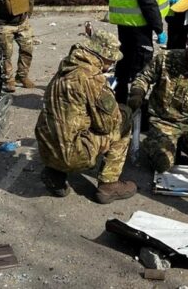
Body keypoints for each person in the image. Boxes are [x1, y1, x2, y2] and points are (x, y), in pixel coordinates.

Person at [35, 29, 138, 204]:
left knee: (66, 125)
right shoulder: (91, 78)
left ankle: (55, 173)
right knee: (124, 120)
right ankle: (108, 185)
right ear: (102, 55)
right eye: (111, 59)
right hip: (72, 153)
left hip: (47, 148)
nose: (113, 62)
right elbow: (107, 124)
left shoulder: (66, 67)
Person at [128, 27, 188, 173]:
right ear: (187, 42)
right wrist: (137, 93)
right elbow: (144, 78)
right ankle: (155, 144)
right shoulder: (165, 58)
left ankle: (181, 146)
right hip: (162, 122)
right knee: (162, 164)